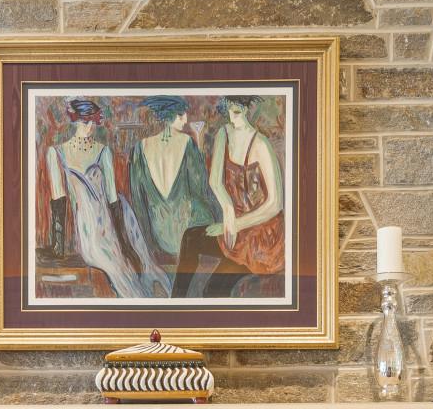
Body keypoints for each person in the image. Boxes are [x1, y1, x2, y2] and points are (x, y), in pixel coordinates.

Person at [39, 98, 158, 300]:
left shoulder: (103, 151)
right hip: (87, 223)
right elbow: (58, 201)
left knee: (125, 262)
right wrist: (58, 247)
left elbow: (112, 198)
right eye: (86, 122)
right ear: (75, 121)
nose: (90, 127)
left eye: (94, 122)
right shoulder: (56, 153)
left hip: (113, 217)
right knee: (109, 263)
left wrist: (125, 243)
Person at [126, 96, 234, 299]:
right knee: (213, 214)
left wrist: (147, 241)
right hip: (186, 234)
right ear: (172, 116)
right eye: (182, 115)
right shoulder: (187, 143)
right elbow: (200, 190)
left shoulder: (139, 149)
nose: (185, 121)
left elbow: (138, 203)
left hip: (157, 235)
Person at [206, 95, 286, 297]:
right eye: (230, 111)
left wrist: (236, 225)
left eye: (237, 112)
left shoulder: (261, 144)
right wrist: (228, 211)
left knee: (214, 290)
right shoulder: (223, 134)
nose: (233, 119)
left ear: (246, 109)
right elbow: (215, 181)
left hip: (263, 231)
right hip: (234, 225)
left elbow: (275, 203)